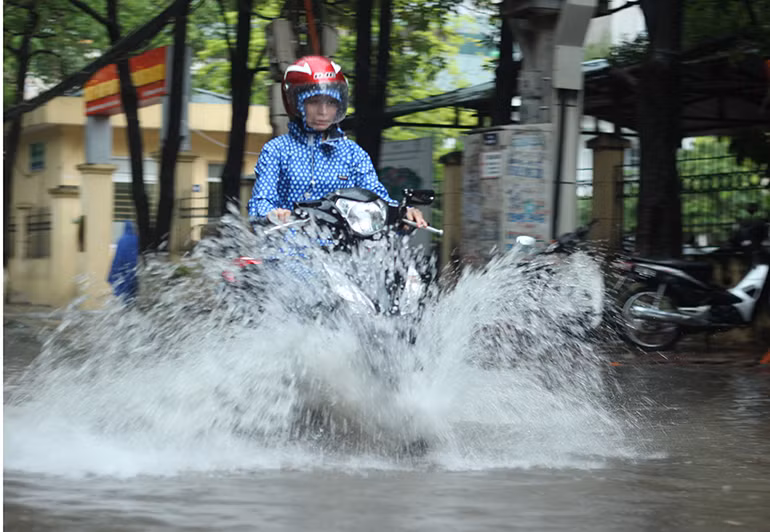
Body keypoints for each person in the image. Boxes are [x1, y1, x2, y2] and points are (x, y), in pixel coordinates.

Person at [247, 55, 427, 229]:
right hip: (287, 248)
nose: (323, 112)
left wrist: (403, 213)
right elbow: (260, 200)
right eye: (314, 102)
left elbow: (376, 196)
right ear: (295, 103)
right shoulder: (276, 150)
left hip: (342, 250)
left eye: (331, 103)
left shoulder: (352, 153)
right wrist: (272, 213)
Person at [107, 220, 139, 302]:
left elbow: (117, 259)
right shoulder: (137, 239)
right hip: (134, 272)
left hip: (123, 272)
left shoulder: (121, 240)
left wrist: (113, 274)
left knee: (124, 299)